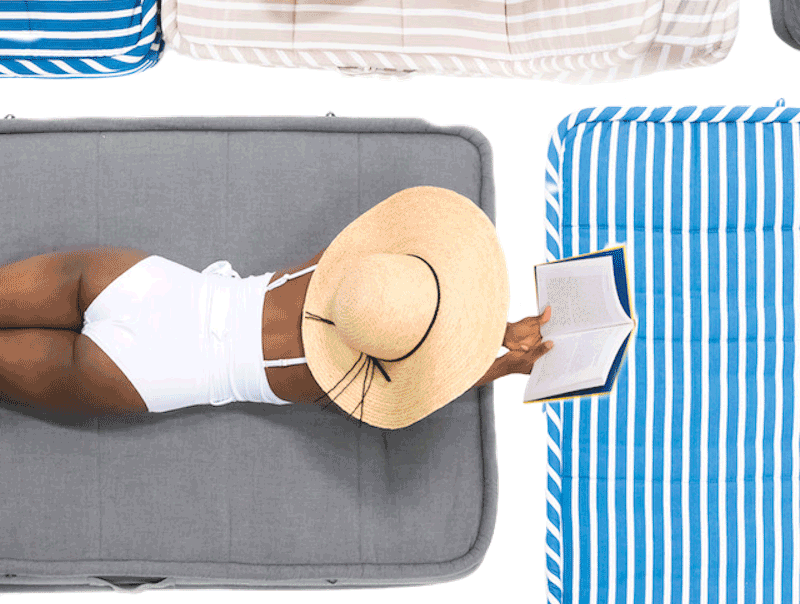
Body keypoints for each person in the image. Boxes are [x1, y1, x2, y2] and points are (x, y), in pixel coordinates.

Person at [0, 186, 551, 430]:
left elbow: (412, 305)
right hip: (145, 373)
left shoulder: (347, 258)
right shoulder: (343, 381)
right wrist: (499, 362)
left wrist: (495, 326)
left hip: (145, 285)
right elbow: (427, 373)